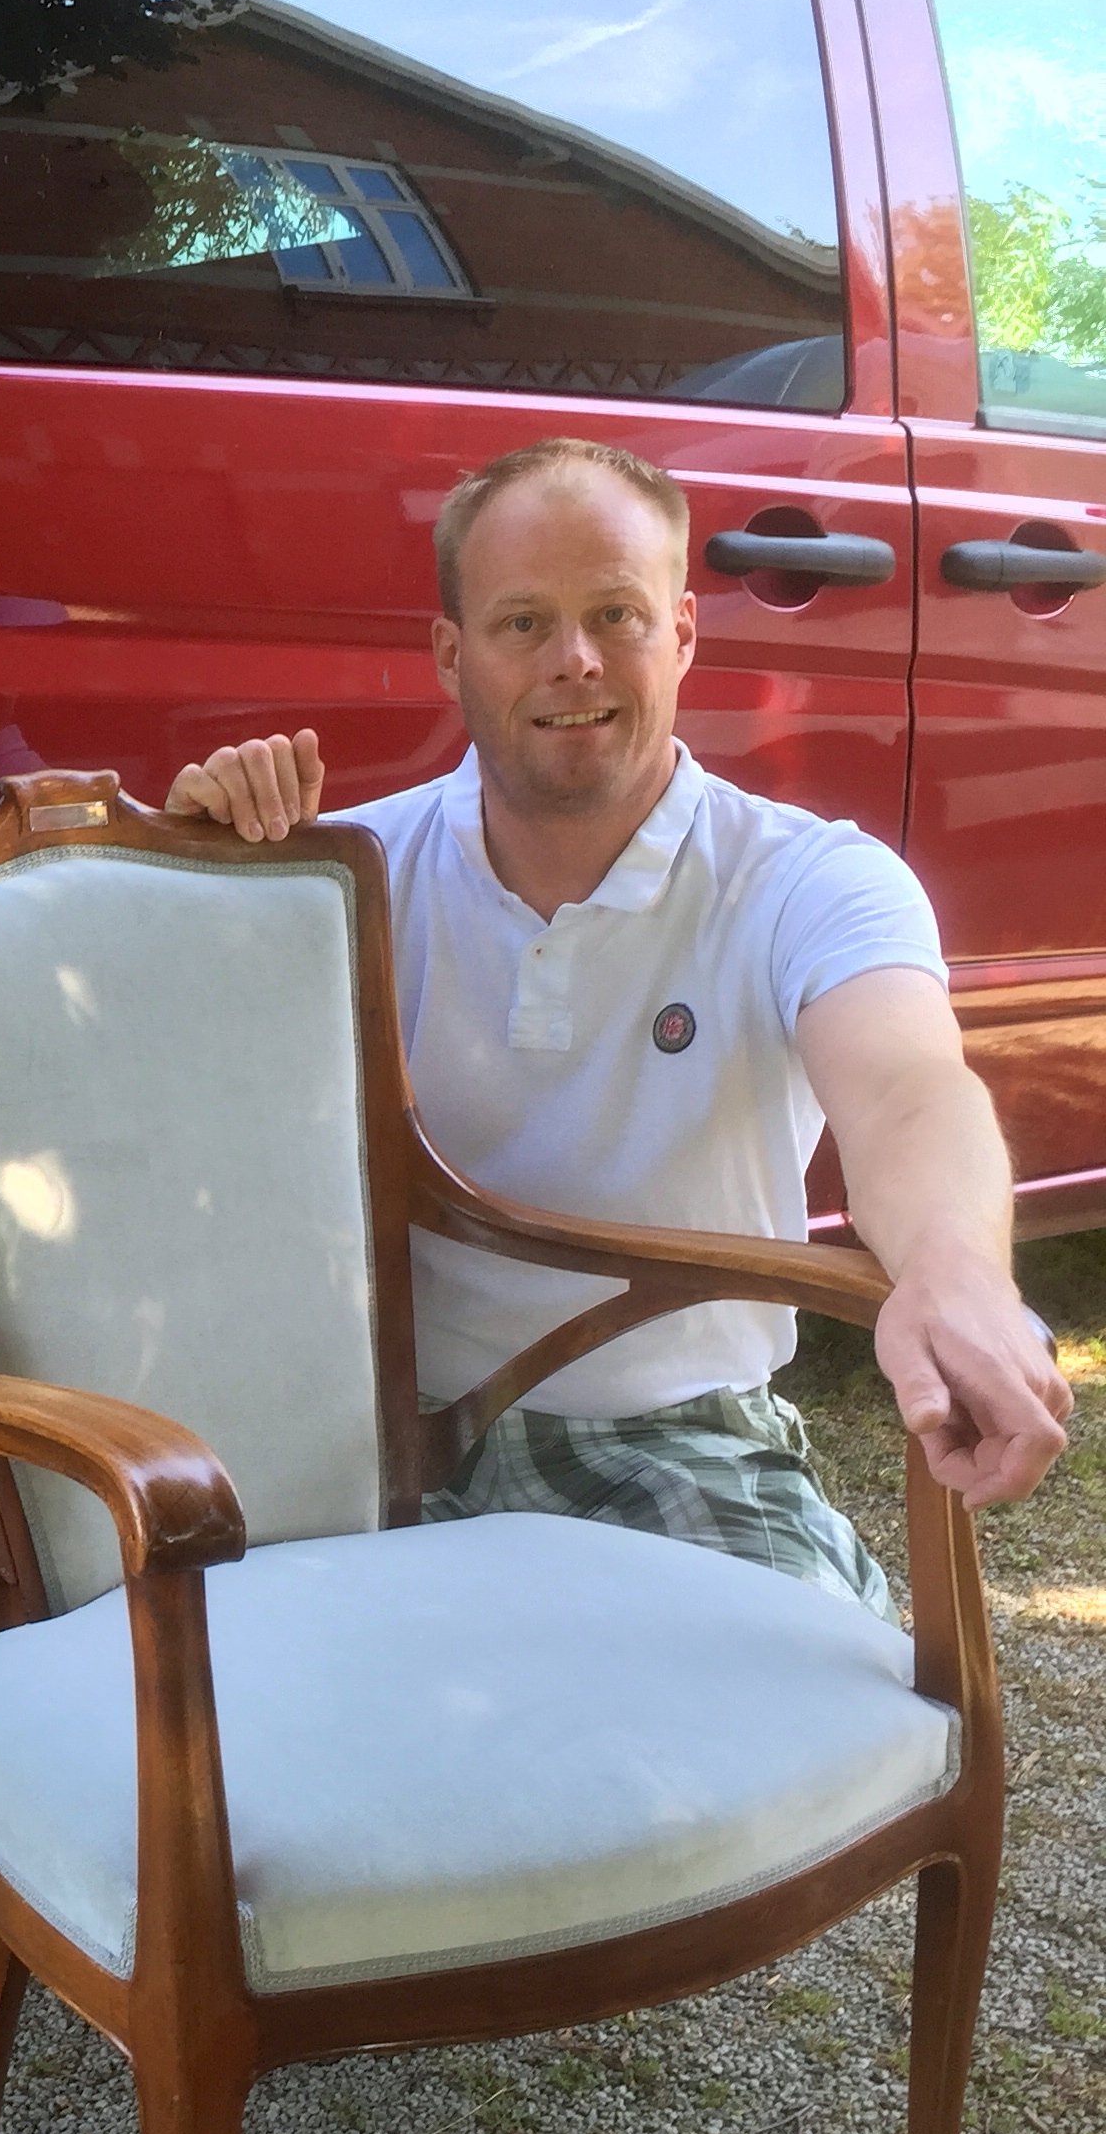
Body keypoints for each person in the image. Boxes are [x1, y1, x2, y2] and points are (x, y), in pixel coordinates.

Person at [165, 434, 1069, 1609]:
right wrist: (191, 886)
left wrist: (954, 1272)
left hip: (680, 1440)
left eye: (616, 615)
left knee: (801, 1687)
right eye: (523, 622)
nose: (575, 659)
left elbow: (908, 1088)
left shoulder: (810, 879)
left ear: (682, 632)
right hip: (366, 1441)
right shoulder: (343, 873)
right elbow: (167, 1135)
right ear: (452, 653)